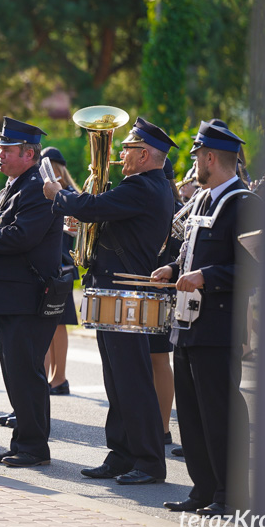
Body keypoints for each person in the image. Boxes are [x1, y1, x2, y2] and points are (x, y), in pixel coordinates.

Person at [45, 117, 176, 484]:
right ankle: (121, 454)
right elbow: (107, 217)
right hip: (115, 290)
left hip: (127, 292)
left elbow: (94, 206)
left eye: (127, 148)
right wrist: (83, 224)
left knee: (132, 381)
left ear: (145, 154)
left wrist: (60, 197)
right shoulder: (144, 185)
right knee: (117, 380)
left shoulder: (145, 186)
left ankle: (149, 462)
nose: (120, 153)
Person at [152, 121, 260, 515]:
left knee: (221, 413)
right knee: (193, 415)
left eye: (198, 155)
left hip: (218, 324)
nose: (194, 162)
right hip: (187, 323)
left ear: (211, 157)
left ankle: (230, 497)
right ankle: (203, 490)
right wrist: (172, 267)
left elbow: (257, 266)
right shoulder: (201, 200)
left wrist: (206, 277)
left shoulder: (244, 203)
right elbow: (190, 250)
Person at [0, 117, 64, 467]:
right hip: (10, 294)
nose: (0, 154)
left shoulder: (36, 186)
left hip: (28, 295)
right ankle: (23, 442)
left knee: (26, 373)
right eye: (1, 148)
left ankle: (35, 447)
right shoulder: (14, 184)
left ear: (29, 154)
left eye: (7, 149)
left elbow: (22, 237)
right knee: (15, 373)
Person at [148, 157, 181, 446]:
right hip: (152, 288)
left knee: (159, 358)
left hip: (165, 291)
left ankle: (162, 426)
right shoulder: (165, 203)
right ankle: (157, 425)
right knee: (153, 359)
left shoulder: (175, 209)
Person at [42, 146, 79, 397]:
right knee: (50, 325)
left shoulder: (69, 194)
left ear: (57, 168)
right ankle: (54, 376)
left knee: (59, 324)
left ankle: (60, 376)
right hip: (53, 264)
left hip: (63, 264)